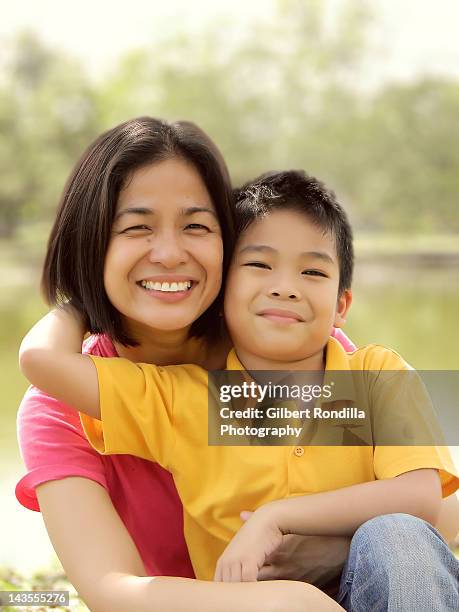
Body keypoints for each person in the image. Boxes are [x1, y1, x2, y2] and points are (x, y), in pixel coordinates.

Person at [20, 170, 459, 610]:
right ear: (221, 289)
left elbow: (420, 496)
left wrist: (277, 518)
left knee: (398, 535)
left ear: (341, 305)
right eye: (258, 265)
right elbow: (44, 362)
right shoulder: (184, 399)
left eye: (311, 271)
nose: (285, 288)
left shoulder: (375, 373)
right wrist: (89, 290)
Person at [16, 118, 352, 612]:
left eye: (196, 225)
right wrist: (289, 602)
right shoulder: (59, 406)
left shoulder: (291, 346)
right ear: (91, 243)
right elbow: (112, 589)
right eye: (136, 228)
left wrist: (337, 543)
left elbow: (433, 500)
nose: (170, 254)